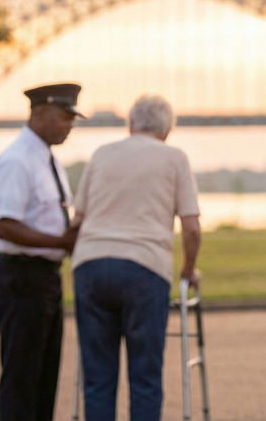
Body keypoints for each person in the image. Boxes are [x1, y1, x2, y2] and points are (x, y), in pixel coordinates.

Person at [71, 94, 202, 421]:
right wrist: (188, 268)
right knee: (145, 376)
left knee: (97, 377)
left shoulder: (102, 153)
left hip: (90, 264)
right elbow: (191, 227)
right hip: (145, 267)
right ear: (167, 129)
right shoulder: (174, 157)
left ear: (130, 123)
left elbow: (78, 219)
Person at [0, 83, 84, 421]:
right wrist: (61, 243)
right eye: (65, 117)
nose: (69, 126)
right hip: (22, 278)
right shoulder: (17, 161)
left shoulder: (47, 160)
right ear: (40, 114)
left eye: (72, 119)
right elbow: (5, 225)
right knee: (22, 376)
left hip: (44, 278)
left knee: (45, 376)